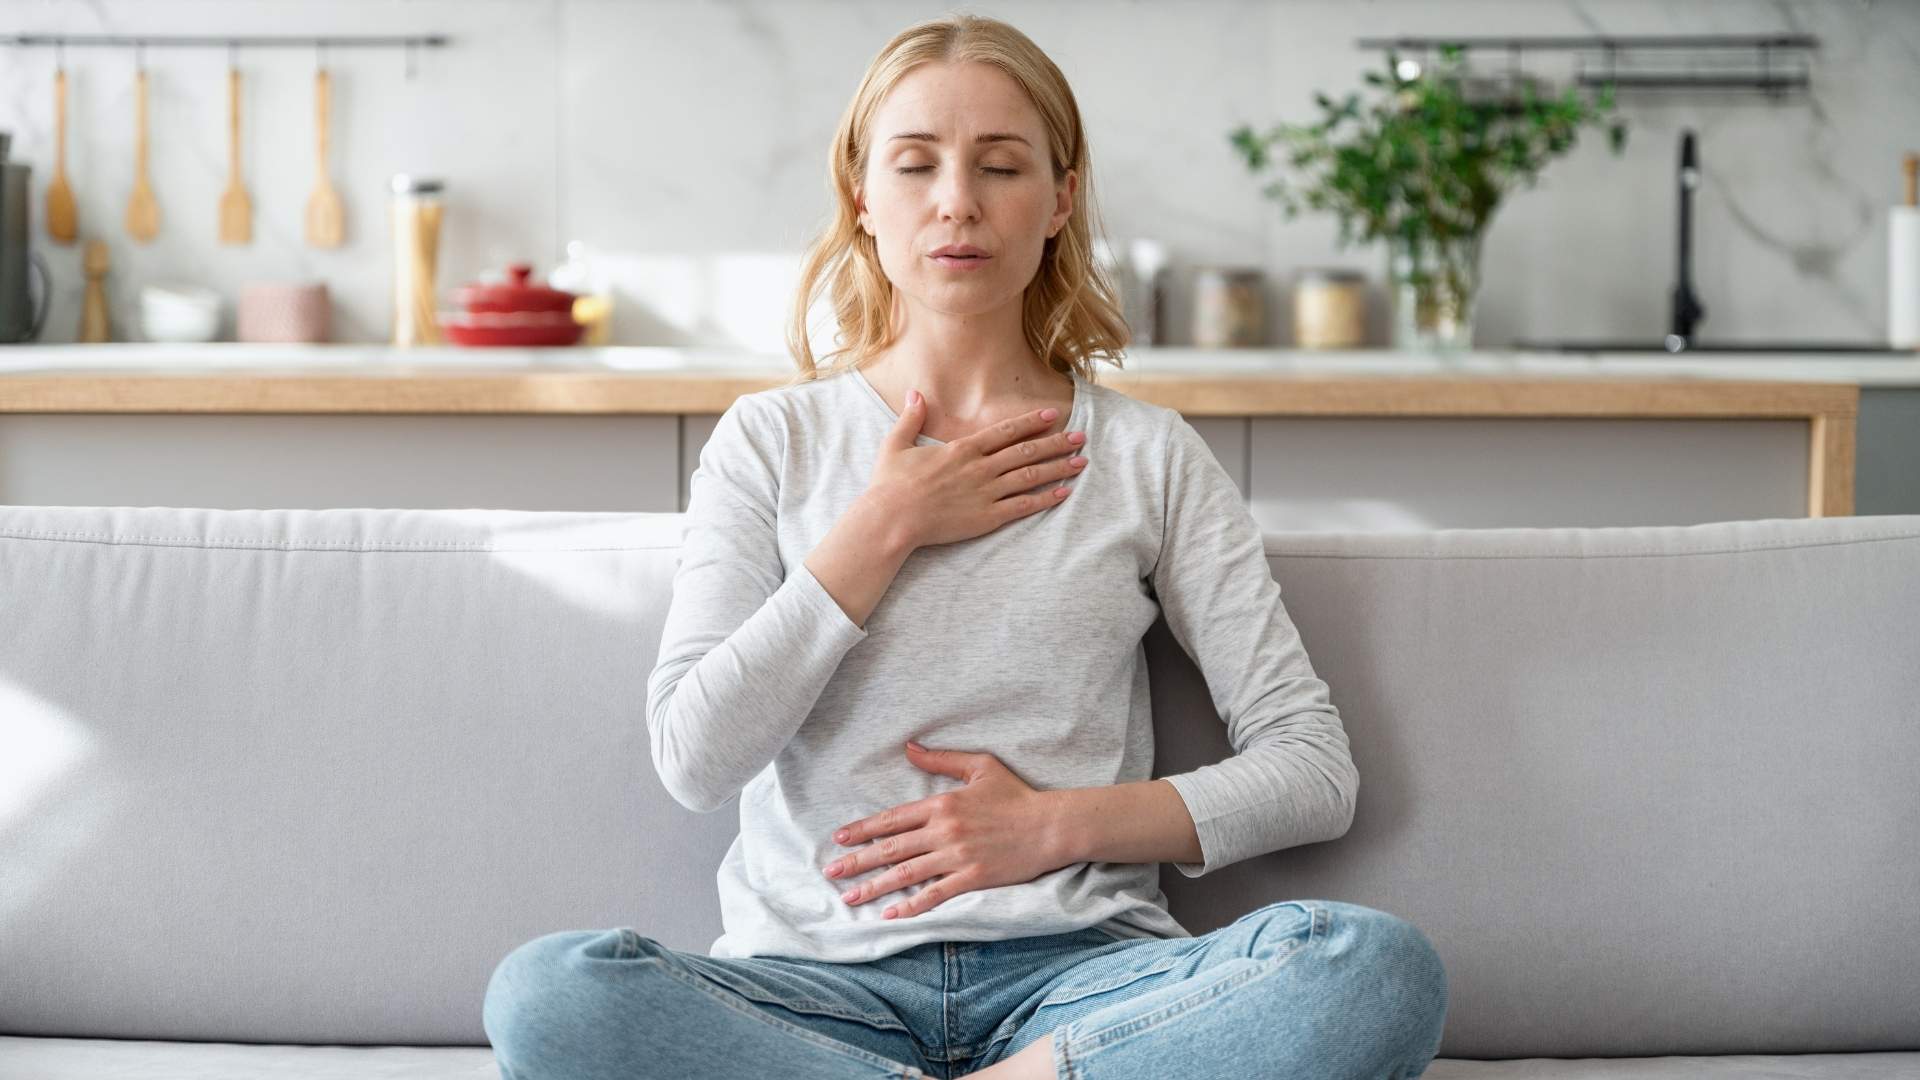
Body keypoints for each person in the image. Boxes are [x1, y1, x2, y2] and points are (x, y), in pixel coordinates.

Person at [483, 12, 1446, 1079]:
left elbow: (1312, 770)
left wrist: (1053, 828)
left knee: (1373, 969)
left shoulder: (1147, 457)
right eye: (915, 164)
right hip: (817, 989)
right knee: (549, 994)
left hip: (1080, 983)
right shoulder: (773, 441)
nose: (957, 202)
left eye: (1001, 165)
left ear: (1060, 198)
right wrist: (883, 525)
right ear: (862, 194)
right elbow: (694, 759)